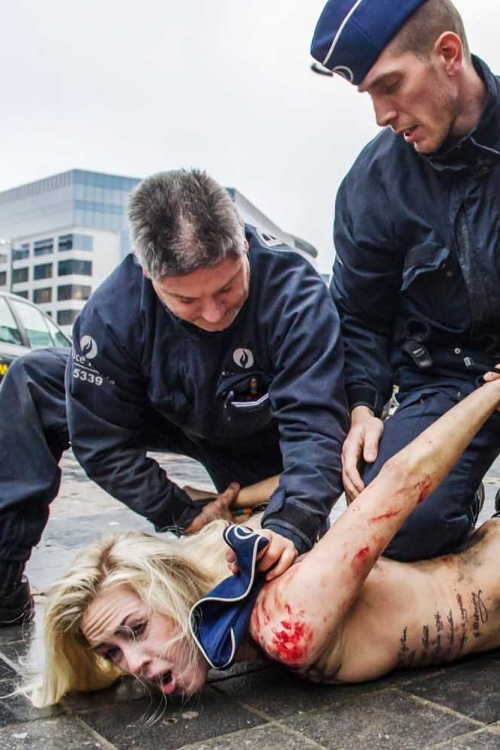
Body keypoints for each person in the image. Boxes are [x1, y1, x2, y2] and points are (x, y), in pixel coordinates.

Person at [0, 169, 348, 626]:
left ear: (243, 245)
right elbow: (100, 443)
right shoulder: (112, 314)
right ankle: (3, 580)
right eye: (186, 301)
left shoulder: (295, 294)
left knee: (281, 567)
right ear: (148, 274)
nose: (213, 314)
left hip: (258, 430)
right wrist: (179, 511)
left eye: (226, 288)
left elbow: (316, 426)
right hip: (164, 409)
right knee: (32, 379)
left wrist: (292, 523)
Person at [32, 372, 500, 707]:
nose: (135, 665)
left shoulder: (285, 623)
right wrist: (230, 501)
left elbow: (402, 481)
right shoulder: (244, 597)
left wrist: (492, 393)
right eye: (112, 653)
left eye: (135, 629)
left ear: (171, 589)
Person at [310, 0, 500, 561]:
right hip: (444, 377)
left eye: (390, 86)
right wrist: (363, 408)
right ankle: (454, 507)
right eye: (367, 94)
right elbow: (359, 316)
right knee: (393, 524)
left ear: (448, 54)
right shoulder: (373, 185)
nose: (380, 115)